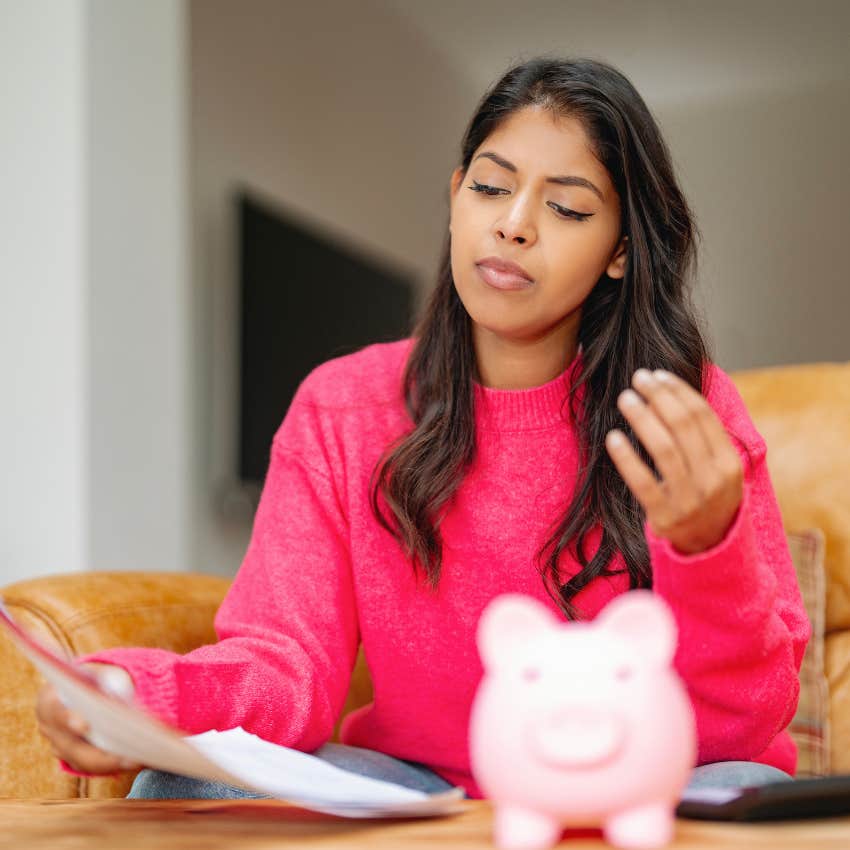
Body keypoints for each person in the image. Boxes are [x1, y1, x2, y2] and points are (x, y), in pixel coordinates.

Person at [36, 55, 809, 801]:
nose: (513, 225)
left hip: (632, 777)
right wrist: (137, 696)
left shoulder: (686, 415)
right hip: (416, 786)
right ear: (455, 197)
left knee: (745, 793)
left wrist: (709, 546)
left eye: (567, 208)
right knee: (181, 786)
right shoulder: (341, 407)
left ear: (620, 253)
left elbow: (741, 727)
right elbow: (285, 665)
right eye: (490, 188)